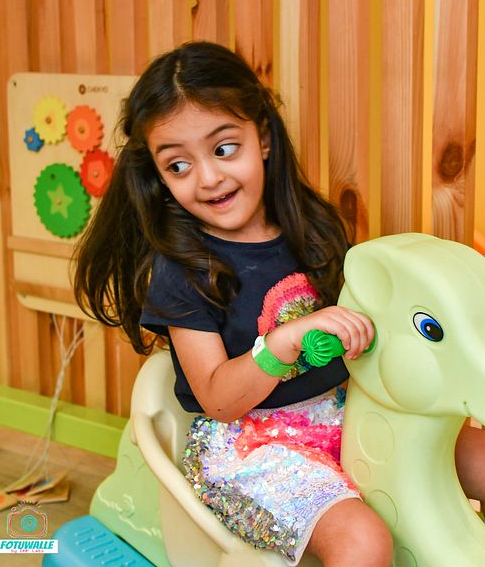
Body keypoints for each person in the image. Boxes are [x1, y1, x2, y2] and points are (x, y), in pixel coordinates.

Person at [73, 41, 482, 566]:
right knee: (363, 542)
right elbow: (219, 400)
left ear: (262, 138)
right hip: (252, 448)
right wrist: (281, 343)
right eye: (178, 165)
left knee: (476, 459)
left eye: (224, 149)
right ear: (158, 174)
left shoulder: (311, 228)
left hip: (343, 410)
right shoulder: (181, 270)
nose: (208, 177)